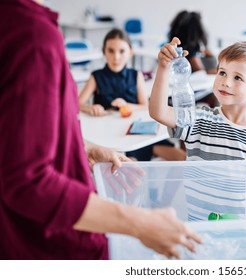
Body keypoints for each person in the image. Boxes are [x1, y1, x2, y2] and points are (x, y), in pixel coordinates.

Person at [0, 0, 200, 259]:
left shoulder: (17, 25)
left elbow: (13, 137)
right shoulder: (33, 35)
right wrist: (139, 223)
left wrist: (83, 148)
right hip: (43, 244)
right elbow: (28, 181)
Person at [150, 38, 246, 220]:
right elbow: (158, 112)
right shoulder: (199, 120)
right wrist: (163, 67)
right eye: (222, 72)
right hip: (203, 233)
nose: (226, 82)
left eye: (238, 78)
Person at [79, 28, 186, 161]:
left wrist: (128, 106)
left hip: (136, 132)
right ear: (104, 52)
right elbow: (77, 104)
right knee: (129, 165)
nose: (116, 57)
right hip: (110, 136)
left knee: (182, 157)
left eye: (122, 51)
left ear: (130, 52)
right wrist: (90, 108)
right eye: (111, 51)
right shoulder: (96, 77)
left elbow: (145, 105)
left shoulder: (136, 75)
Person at [168, 10, 218, 107]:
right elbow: (200, 71)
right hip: (187, 94)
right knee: (214, 94)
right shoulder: (191, 52)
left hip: (175, 92)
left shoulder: (177, 48)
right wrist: (215, 70)